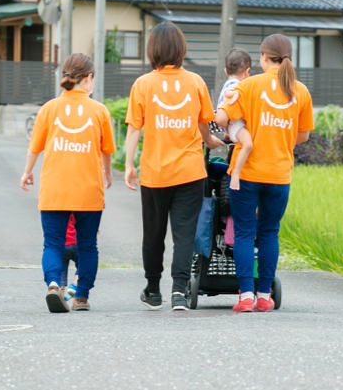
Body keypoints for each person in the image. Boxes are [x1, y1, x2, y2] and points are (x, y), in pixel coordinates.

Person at [124, 22, 224, 311]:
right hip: (190, 172)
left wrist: (129, 164)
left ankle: (153, 290)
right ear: (181, 49)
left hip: (154, 173)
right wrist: (211, 142)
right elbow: (204, 124)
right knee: (184, 234)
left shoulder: (143, 84)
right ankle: (179, 292)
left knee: (153, 234)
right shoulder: (195, 82)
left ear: (152, 50)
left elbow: (134, 129)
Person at [214, 34, 313, 313]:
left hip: (246, 174)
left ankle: (245, 296)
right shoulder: (300, 91)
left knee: (244, 233)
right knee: (269, 232)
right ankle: (263, 296)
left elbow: (220, 120)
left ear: (263, 58)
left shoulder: (249, 86)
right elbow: (302, 135)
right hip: (279, 175)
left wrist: (224, 116)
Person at [20, 53, 115, 313]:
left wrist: (27, 172)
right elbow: (106, 150)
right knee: (88, 246)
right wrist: (108, 174)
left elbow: (34, 147)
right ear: (88, 78)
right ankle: (81, 296)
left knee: (52, 243)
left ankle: (53, 284)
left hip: (54, 189)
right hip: (88, 191)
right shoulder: (99, 110)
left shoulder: (49, 108)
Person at [218, 48, 254, 191]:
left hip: (230, 126)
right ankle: (236, 173)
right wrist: (233, 94)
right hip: (236, 125)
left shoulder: (228, 82)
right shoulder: (237, 85)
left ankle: (229, 134)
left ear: (225, 72)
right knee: (248, 145)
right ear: (247, 72)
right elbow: (230, 92)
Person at [60, 214, 79, 301]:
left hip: (63, 244)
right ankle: (75, 284)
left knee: (62, 268)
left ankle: (61, 291)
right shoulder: (80, 211)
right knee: (83, 264)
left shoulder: (60, 213)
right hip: (77, 244)